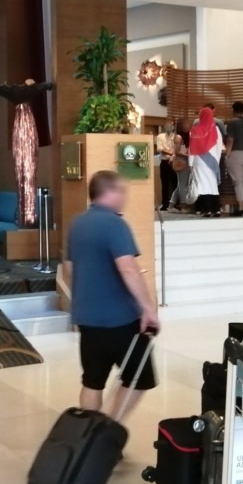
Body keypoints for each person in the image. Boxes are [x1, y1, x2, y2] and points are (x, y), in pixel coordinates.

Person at [66, 171, 159, 421]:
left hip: (87, 318)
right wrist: (148, 309)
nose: (124, 196)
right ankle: (109, 426)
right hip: (119, 318)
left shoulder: (78, 223)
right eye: (121, 190)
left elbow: (70, 268)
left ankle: (88, 433)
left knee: (93, 380)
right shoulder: (114, 224)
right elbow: (128, 269)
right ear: (109, 192)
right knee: (139, 377)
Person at [189, 106, 223, 217]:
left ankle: (207, 210)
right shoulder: (216, 129)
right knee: (213, 185)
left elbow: (192, 149)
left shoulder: (195, 130)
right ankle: (216, 209)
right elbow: (219, 146)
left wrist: (190, 163)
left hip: (199, 161)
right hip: (213, 160)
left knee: (203, 185)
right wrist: (217, 160)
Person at [225, 102, 243, 216]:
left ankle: (241, 207)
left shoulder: (232, 122)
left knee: (238, 182)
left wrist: (227, 155)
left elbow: (230, 140)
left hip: (235, 154)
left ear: (233, 110)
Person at [156, 122, 178, 211]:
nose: (169, 127)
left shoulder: (176, 136)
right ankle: (165, 204)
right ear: (164, 127)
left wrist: (170, 152)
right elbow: (160, 149)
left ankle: (175, 204)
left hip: (174, 162)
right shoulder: (160, 136)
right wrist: (171, 153)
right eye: (167, 126)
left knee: (175, 183)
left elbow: (177, 148)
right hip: (165, 162)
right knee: (165, 184)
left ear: (173, 127)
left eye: (170, 126)